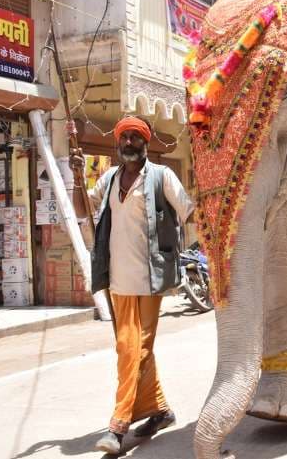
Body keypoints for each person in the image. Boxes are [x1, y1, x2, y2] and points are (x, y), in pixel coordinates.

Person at [71, 116, 194, 454]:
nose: (128, 143)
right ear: (117, 142)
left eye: (135, 138)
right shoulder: (109, 179)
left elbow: (188, 210)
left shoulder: (162, 176)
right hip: (118, 280)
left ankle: (118, 425)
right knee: (134, 350)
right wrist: (77, 177)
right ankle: (160, 409)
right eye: (123, 137)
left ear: (145, 143)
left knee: (132, 348)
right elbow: (83, 207)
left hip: (150, 279)